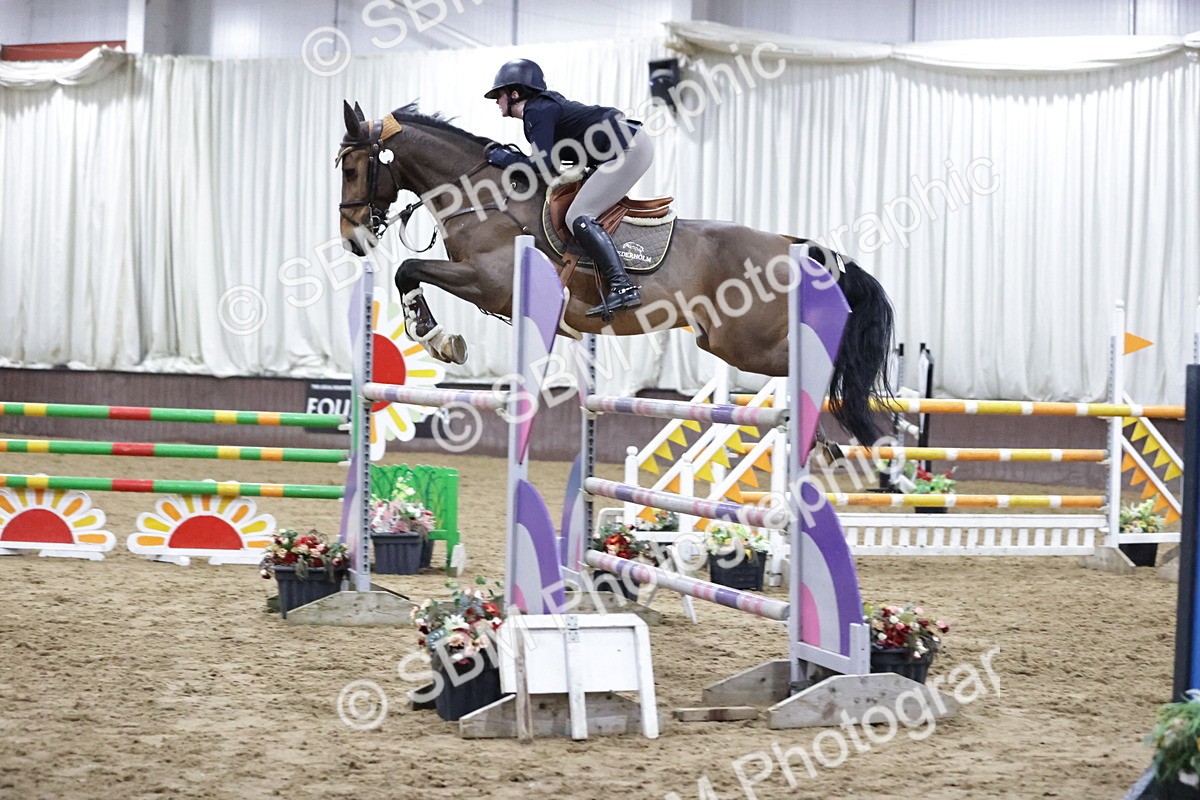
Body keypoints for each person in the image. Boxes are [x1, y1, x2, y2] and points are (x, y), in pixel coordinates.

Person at [483, 58, 652, 317]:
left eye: (499, 95)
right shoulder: (541, 109)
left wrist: (505, 158)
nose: (496, 101)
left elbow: (544, 164)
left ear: (515, 94)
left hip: (629, 149)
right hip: (620, 147)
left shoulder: (536, 111)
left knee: (578, 216)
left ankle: (623, 286)